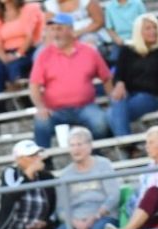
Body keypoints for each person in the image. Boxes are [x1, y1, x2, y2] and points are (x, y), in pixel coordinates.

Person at [30, 13, 113, 147]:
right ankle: (43, 158)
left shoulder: (89, 52)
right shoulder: (44, 55)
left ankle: (93, 153)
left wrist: (112, 100)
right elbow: (34, 85)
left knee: (100, 123)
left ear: (71, 30)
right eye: (52, 29)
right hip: (54, 110)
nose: (55, 34)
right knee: (41, 123)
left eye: (59, 29)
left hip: (85, 106)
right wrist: (40, 107)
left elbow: (106, 77)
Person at [52, 126, 122, 229]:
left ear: (90, 146)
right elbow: (61, 209)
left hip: (103, 215)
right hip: (76, 219)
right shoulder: (65, 174)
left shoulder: (103, 165)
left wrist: (96, 216)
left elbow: (114, 195)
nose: (75, 149)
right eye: (72, 145)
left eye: (79, 144)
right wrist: (74, 221)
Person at [108, 14, 158, 137]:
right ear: (138, 32)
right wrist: (119, 83)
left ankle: (127, 144)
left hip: (150, 96)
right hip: (128, 94)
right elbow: (118, 74)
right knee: (117, 99)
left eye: (154, 27)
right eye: (148, 28)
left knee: (112, 116)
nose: (153, 31)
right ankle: (127, 144)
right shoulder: (127, 49)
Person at [0, 140, 57, 229]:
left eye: (37, 154)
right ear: (19, 159)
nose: (37, 158)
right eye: (31, 156)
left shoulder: (47, 177)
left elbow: (56, 206)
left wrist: (46, 222)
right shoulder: (10, 172)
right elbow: (11, 194)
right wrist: (29, 173)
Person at [0, 0, 44, 94]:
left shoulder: (29, 9)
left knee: (15, 66)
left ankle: (22, 98)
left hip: (28, 51)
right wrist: (3, 57)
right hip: (7, 53)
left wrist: (17, 54)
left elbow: (29, 37)